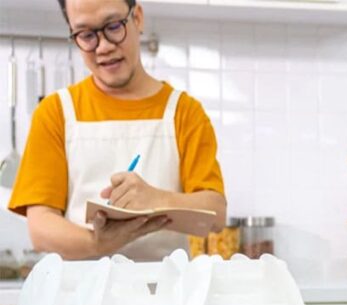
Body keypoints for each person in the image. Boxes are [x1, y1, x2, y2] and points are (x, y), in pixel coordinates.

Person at [7, 0, 226, 261]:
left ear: (138, 18)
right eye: (86, 35)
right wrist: (100, 244)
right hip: (81, 296)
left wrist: (155, 199)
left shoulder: (183, 112)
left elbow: (216, 214)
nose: (103, 46)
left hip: (164, 295)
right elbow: (41, 228)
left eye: (113, 26)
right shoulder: (56, 112)